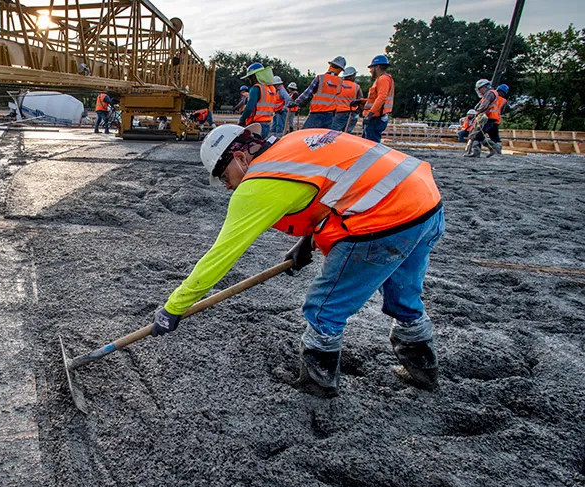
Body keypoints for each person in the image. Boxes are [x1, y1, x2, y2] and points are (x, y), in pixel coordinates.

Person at [150, 123, 444, 396]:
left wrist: (173, 308)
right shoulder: (294, 142)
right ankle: (422, 369)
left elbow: (221, 256)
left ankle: (318, 384)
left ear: (240, 157)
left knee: (324, 308)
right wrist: (308, 241)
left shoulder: (259, 182)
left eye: (224, 177)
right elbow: (339, 188)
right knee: (403, 296)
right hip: (424, 202)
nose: (228, 187)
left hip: (383, 220)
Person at [290, 56, 345, 130]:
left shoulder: (320, 78)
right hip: (330, 115)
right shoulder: (340, 82)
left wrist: (295, 103)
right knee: (323, 137)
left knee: (306, 135)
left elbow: (307, 93)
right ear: (340, 69)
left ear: (330, 66)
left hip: (316, 113)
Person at [467, 81, 508, 158]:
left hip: (487, 118)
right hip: (495, 118)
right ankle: (496, 150)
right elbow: (501, 111)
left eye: (480, 89)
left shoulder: (490, 94)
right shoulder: (502, 100)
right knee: (494, 137)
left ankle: (493, 148)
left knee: (478, 135)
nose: (479, 91)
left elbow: (483, 106)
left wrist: (477, 112)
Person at [362, 55, 394, 143]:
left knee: (371, 144)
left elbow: (381, 98)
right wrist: (361, 101)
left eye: (371, 68)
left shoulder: (383, 79)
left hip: (376, 117)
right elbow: (375, 99)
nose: (370, 70)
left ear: (378, 67)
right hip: (375, 116)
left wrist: (370, 114)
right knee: (368, 143)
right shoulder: (382, 79)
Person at [237, 62, 279, 129]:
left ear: (255, 76)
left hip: (256, 124)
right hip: (267, 123)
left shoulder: (256, 89)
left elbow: (249, 107)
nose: (250, 80)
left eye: (250, 78)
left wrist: (242, 119)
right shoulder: (272, 89)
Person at [331, 66, 364, 133]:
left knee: (333, 134)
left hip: (339, 113)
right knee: (346, 135)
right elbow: (361, 100)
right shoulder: (356, 86)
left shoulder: (338, 84)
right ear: (351, 76)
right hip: (352, 114)